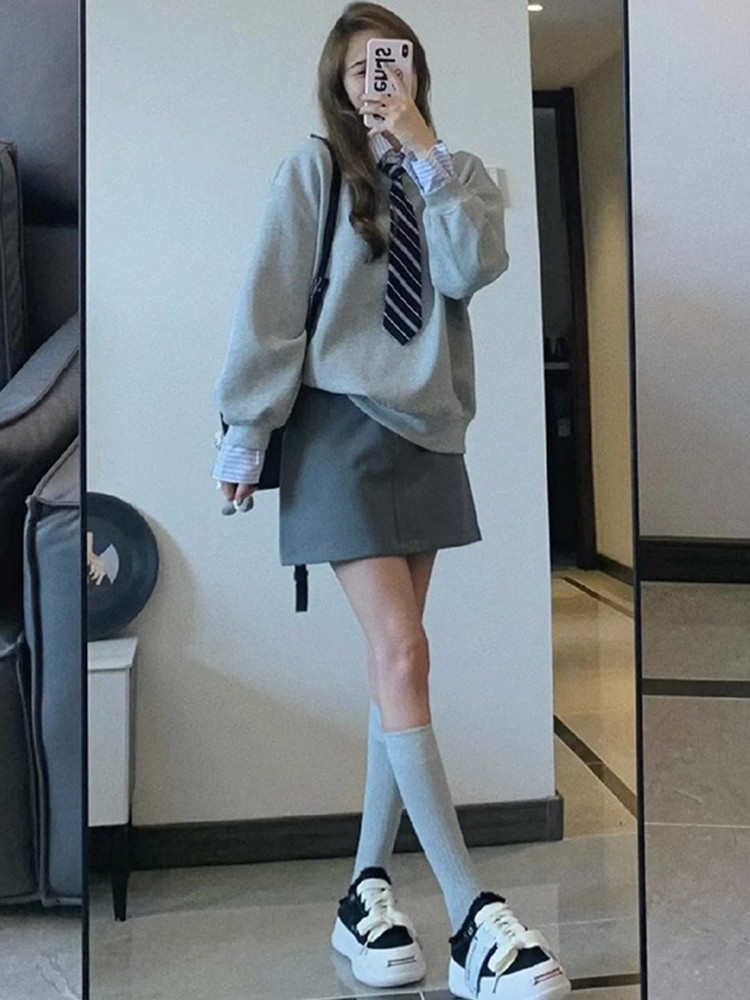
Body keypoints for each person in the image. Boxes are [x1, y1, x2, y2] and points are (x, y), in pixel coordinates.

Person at [212, 4, 571, 998]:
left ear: (415, 72)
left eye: (394, 63)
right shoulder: (314, 170)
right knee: (403, 652)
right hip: (337, 429)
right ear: (339, 81)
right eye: (362, 68)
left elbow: (471, 269)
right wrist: (244, 430)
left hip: (428, 431)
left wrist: (423, 148)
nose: (379, 80)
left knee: (398, 660)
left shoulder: (456, 173)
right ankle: (470, 915)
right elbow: (271, 304)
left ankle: (364, 890)